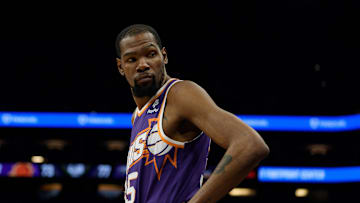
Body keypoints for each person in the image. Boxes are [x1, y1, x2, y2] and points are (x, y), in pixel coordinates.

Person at [115, 24, 269, 203]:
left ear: (163, 56)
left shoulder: (179, 94)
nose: (143, 65)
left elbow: (250, 145)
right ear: (120, 67)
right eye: (132, 59)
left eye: (150, 54)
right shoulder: (138, 116)